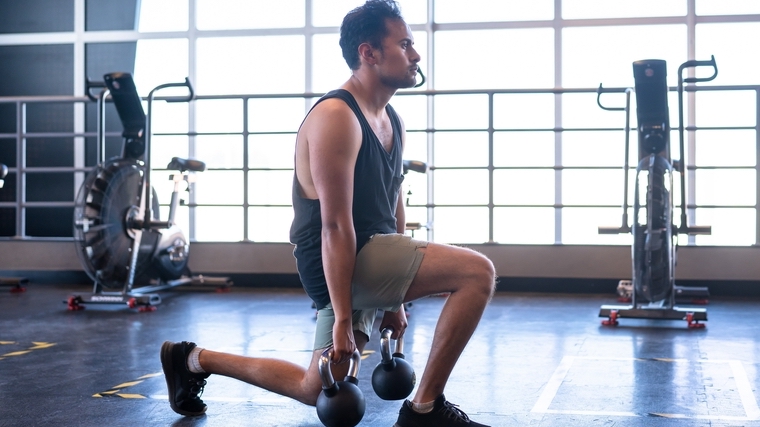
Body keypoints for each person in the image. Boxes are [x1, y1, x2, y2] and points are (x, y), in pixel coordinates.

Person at [160, 1, 496, 426]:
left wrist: (395, 301)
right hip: (338, 257)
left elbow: (394, 200)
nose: (416, 56)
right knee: (477, 272)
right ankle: (424, 411)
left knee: (313, 387)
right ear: (368, 53)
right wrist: (342, 318)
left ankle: (191, 359)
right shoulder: (337, 116)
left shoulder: (391, 118)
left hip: (371, 252)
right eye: (405, 44)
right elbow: (334, 225)